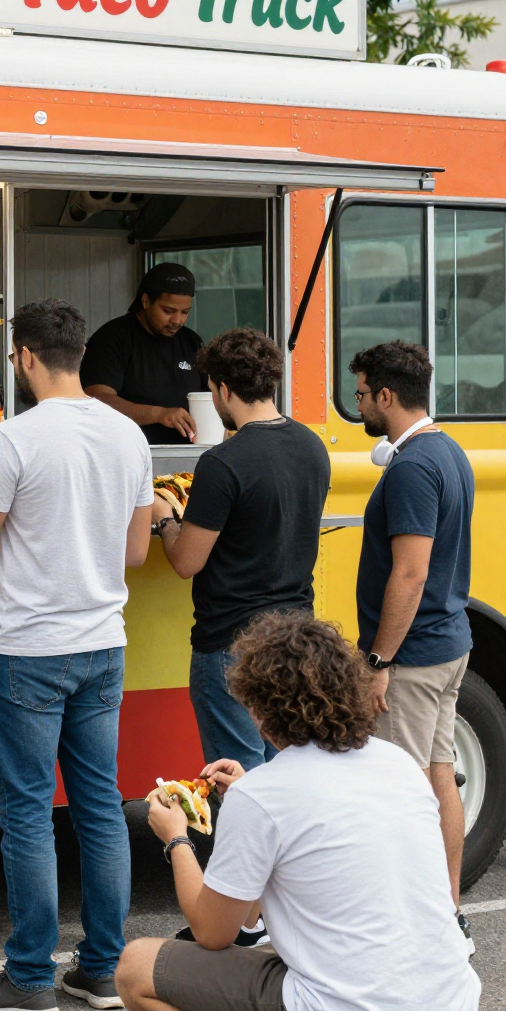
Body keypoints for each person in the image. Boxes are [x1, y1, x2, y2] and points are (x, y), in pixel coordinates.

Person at [118, 612, 480, 1011]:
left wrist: (177, 840)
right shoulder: (400, 765)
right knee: (375, 931)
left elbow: (215, 932)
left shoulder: (265, 796)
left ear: (260, 709)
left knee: (136, 967)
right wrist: (250, 798)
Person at [0, 299, 153, 1011]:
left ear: (27, 357)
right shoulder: (128, 436)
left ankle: (29, 976)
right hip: (103, 643)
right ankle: (100, 970)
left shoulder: (15, 440)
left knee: (29, 812)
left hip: (28, 650)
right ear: (81, 352)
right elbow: (135, 551)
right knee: (100, 808)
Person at [152, 328, 332, 773]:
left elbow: (186, 561)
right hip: (295, 637)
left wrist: (164, 516)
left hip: (232, 644)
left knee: (239, 783)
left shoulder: (222, 463)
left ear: (223, 389)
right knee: (287, 776)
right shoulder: (312, 447)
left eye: (210, 389)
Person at [351, 340, 476, 937]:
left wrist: (379, 658)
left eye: (361, 394)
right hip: (450, 645)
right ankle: (446, 912)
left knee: (398, 795)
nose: (357, 406)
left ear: (386, 395)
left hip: (414, 656)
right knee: (438, 776)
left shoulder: (410, 467)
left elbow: (410, 571)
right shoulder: (449, 452)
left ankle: (410, 927)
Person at [82, 261, 204, 444]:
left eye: (185, 312)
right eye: (168, 311)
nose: (177, 320)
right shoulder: (112, 338)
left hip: (185, 459)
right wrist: (158, 413)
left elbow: (214, 396)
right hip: (128, 454)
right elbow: (96, 399)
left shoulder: (192, 342)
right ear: (146, 301)